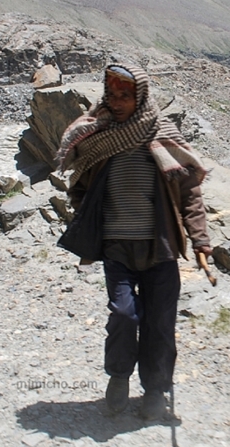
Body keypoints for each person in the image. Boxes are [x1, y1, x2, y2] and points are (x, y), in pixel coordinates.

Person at [55, 63, 212, 420]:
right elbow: (79, 184)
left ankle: (156, 389)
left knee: (159, 322)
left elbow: (190, 191)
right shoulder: (98, 136)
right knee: (124, 314)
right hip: (117, 246)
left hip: (161, 246)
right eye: (112, 95)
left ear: (139, 97)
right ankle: (119, 376)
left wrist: (200, 238)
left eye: (125, 96)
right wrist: (90, 217)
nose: (118, 102)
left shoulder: (161, 133)